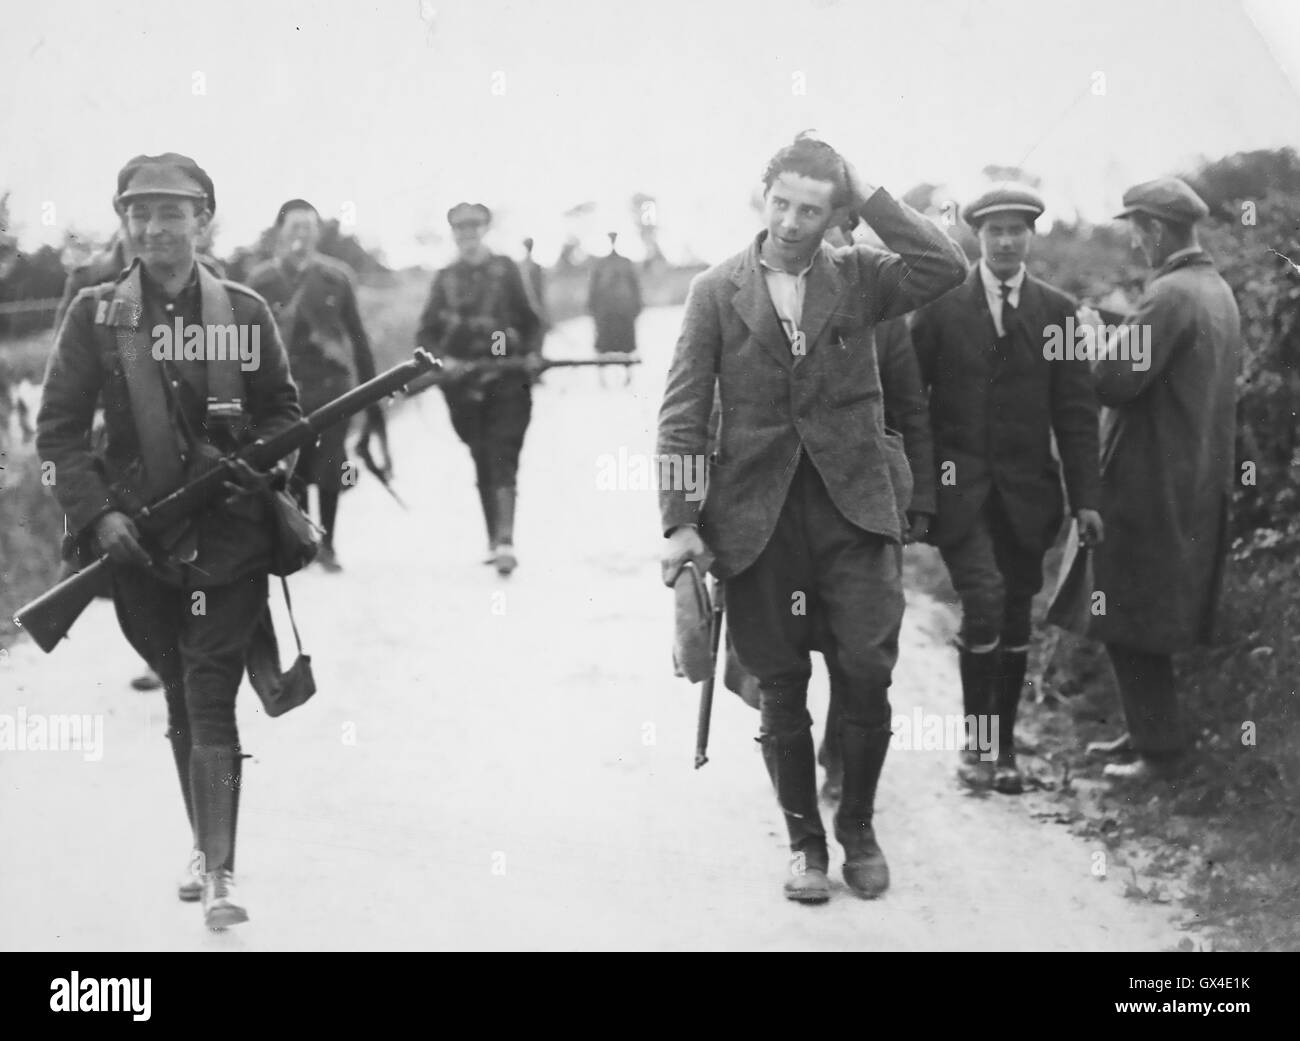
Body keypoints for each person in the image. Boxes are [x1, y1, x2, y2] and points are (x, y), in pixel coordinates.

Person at [657, 133, 967, 904]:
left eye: (812, 209)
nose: (793, 222)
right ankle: (805, 843)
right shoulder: (715, 290)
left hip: (854, 509)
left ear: (835, 214)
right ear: (762, 200)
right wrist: (679, 520)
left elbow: (945, 267)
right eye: (781, 203)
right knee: (781, 684)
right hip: (756, 520)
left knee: (868, 669)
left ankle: (858, 825)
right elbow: (683, 415)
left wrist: (871, 199)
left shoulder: (861, 277)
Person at [36, 153, 302, 929]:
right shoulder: (95, 314)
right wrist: (97, 517)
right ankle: (201, 841)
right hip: (139, 547)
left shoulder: (243, 313)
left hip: (228, 543)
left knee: (212, 693)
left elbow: (284, 412)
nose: (153, 228)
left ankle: (219, 870)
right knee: (184, 697)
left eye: (171, 212)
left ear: (203, 221)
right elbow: (58, 432)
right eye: (138, 213)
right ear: (126, 223)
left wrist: (264, 465)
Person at [910, 183, 1103, 794]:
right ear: (977, 236)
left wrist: (1087, 500)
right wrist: (917, 492)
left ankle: (1007, 750)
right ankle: (978, 744)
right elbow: (912, 406)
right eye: (995, 230)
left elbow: (1075, 415)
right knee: (986, 601)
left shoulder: (1060, 314)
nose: (1005, 241)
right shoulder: (939, 310)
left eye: (1017, 229)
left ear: (1030, 237)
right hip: (959, 496)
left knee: (1017, 617)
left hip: (1030, 498)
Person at [1079, 178, 1239, 782]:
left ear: (1152, 228)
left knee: (1129, 612)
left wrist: (1093, 338)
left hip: (1149, 482)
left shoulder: (1170, 294)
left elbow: (1113, 381)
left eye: (1134, 229)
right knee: (1143, 612)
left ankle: (1159, 754)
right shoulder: (1214, 289)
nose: (1133, 241)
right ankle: (1147, 734)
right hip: (1190, 479)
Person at [54, 228, 226, 693]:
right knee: (105, 541)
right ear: (122, 212)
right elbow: (67, 373)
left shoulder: (207, 274)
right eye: (137, 209)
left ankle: (175, 658)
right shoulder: (90, 281)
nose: (151, 226)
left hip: (186, 445)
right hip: (116, 437)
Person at [247, 199, 383, 573]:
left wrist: (371, 391)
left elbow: (357, 337)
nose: (301, 235)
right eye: (294, 227)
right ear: (280, 232)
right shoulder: (261, 280)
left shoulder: (336, 277)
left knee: (331, 464)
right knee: (293, 465)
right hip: (283, 390)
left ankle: (329, 543)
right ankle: (302, 539)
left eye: (308, 227)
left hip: (331, 387)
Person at [417, 202, 543, 575]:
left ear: (485, 231)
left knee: (503, 453)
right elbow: (426, 332)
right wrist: (443, 361)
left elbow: (532, 321)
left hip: (507, 378)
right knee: (482, 456)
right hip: (462, 387)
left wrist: (534, 354)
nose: (468, 237)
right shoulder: (445, 278)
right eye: (461, 231)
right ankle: (494, 538)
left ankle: (506, 540)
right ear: (454, 234)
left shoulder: (506, 270)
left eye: (474, 229)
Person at [588, 231, 641, 387]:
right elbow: (593, 288)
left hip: (623, 310)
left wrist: (637, 305)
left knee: (626, 344)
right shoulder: (600, 264)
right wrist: (592, 307)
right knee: (603, 344)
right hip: (606, 311)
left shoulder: (625, 262)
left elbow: (634, 286)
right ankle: (602, 378)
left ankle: (628, 376)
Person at [519, 237, 550, 332]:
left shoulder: (523, 265)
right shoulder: (524, 266)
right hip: (530, 307)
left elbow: (540, 289)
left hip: (532, 307)